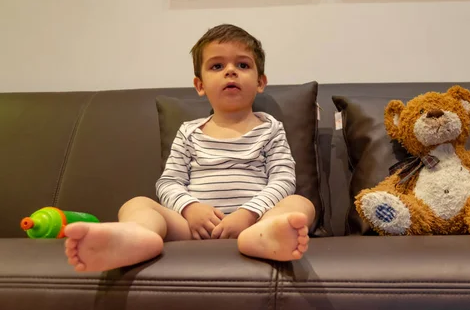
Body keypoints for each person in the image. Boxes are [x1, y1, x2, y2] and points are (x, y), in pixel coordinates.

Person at [64, 24, 315, 272]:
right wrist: (190, 208)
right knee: (137, 204)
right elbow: (169, 182)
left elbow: (283, 179)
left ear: (260, 82)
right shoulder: (189, 132)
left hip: (254, 222)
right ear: (200, 85)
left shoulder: (271, 128)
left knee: (300, 203)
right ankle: (135, 237)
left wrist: (249, 213)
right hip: (193, 227)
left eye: (243, 65)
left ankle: (266, 237)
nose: (230, 71)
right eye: (217, 66)